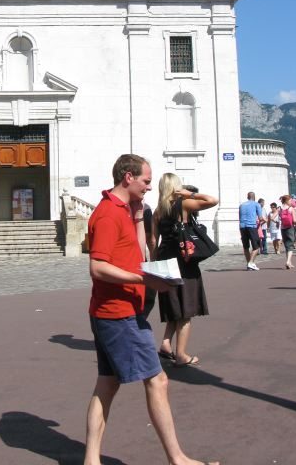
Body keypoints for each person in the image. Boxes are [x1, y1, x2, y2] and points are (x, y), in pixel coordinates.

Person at [84, 154, 219, 465]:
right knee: (157, 381)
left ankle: (91, 460)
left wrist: (137, 219)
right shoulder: (108, 214)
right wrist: (144, 279)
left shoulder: (124, 210)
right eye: (146, 180)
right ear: (128, 177)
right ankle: (177, 459)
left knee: (107, 384)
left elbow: (138, 253)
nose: (149, 186)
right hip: (119, 314)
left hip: (115, 311)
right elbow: (97, 267)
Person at [151, 174, 218, 367]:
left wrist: (155, 263)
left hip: (165, 259)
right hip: (183, 261)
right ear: (176, 187)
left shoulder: (158, 211)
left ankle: (165, 344)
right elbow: (212, 200)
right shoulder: (184, 204)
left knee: (174, 306)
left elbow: (153, 241)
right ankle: (181, 355)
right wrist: (191, 194)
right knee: (185, 310)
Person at [239, 191, 263, 270]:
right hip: (251, 226)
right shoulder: (257, 204)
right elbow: (260, 218)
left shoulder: (241, 205)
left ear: (247, 197)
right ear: (254, 197)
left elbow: (240, 217)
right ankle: (251, 262)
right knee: (257, 246)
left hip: (242, 226)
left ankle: (249, 264)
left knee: (246, 247)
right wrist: (265, 220)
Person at [279, 194, 296, 269]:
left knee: (287, 245)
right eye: (290, 200)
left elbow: (274, 217)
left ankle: (289, 262)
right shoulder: (291, 209)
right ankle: (287, 261)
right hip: (290, 228)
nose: (291, 202)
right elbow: (294, 220)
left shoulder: (280, 208)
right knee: (290, 245)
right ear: (287, 201)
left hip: (283, 228)